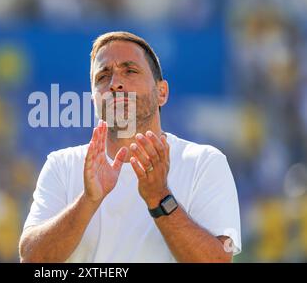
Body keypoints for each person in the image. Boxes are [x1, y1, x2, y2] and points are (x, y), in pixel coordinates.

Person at [19, 31, 241, 262]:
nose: (115, 84)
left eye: (130, 71)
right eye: (103, 77)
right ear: (94, 99)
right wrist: (88, 200)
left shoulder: (203, 162)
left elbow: (218, 260)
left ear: (162, 92)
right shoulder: (62, 165)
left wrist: (159, 197)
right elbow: (32, 259)